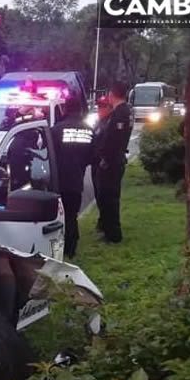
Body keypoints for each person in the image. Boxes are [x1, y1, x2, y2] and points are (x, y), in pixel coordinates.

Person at [50, 99, 94, 259]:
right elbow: (92, 156)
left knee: (58, 216)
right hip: (76, 179)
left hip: (58, 181)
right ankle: (71, 247)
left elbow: (49, 155)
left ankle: (60, 248)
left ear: (64, 110)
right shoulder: (89, 131)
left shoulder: (55, 130)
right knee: (72, 214)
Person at [92, 82, 133, 243]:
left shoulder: (119, 113)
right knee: (107, 197)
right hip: (114, 160)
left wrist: (104, 158)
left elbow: (112, 141)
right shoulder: (125, 111)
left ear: (112, 94)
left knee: (109, 198)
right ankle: (108, 229)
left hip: (111, 163)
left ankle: (113, 234)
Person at [91, 96, 113, 233]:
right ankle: (102, 220)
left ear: (109, 108)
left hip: (103, 163)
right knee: (98, 193)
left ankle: (105, 222)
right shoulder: (99, 122)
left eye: (103, 106)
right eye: (98, 106)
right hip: (95, 162)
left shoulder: (109, 123)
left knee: (104, 194)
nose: (99, 109)